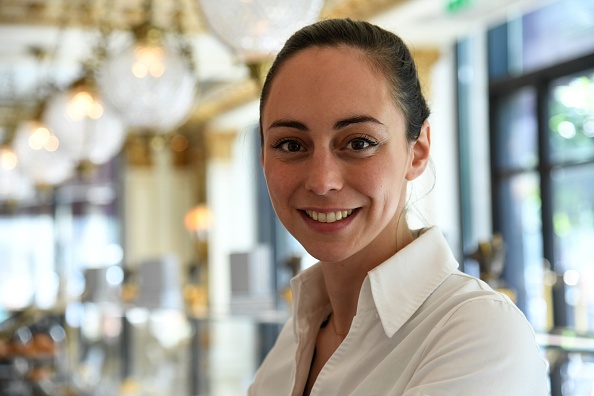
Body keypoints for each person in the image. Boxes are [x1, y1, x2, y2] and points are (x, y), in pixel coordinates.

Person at [249, 18, 549, 396]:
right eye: (291, 145)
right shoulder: (295, 339)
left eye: (359, 142)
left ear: (418, 150)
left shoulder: (478, 331)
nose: (322, 181)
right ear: (263, 155)